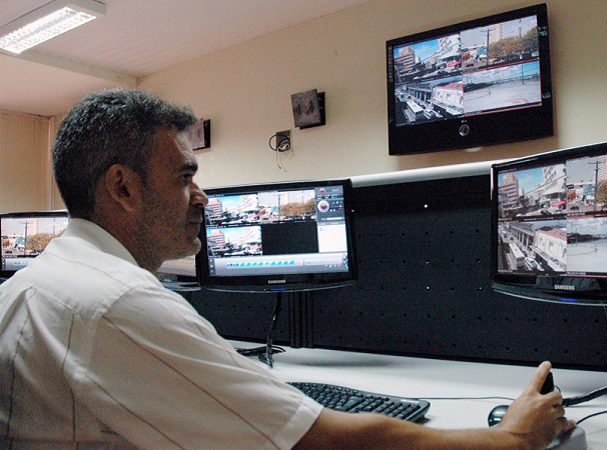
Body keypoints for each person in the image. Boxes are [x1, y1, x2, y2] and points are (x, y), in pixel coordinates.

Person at [0, 88, 574, 449]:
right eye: (184, 177)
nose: (203, 199)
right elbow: (317, 440)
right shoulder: (121, 304)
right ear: (122, 187)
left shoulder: (32, 285)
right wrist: (512, 438)